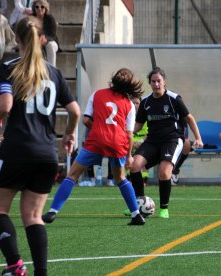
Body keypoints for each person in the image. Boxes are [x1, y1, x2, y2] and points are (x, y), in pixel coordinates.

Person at [0, 17, 80, 275]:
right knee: (33, 216)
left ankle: (15, 264)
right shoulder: (55, 73)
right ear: (42, 40)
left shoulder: (9, 68)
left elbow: (4, 105)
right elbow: (74, 111)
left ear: (15, 39)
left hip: (16, 149)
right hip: (48, 154)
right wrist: (69, 135)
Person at [42, 68, 146, 226]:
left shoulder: (97, 94)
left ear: (113, 79)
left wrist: (99, 126)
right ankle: (136, 214)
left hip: (97, 139)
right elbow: (129, 133)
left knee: (72, 175)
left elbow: (85, 120)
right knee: (121, 179)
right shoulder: (129, 104)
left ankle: (52, 211)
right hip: (118, 142)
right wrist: (129, 156)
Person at [129, 67, 203, 219]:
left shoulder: (173, 99)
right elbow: (138, 125)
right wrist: (126, 132)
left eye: (159, 81)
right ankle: (138, 204)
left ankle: (164, 208)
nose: (156, 84)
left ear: (164, 82)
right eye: (153, 82)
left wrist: (198, 138)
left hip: (172, 140)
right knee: (134, 165)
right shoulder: (146, 102)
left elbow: (189, 118)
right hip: (152, 141)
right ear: (150, 83)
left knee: (164, 172)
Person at [31, 0, 59, 67]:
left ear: (45, 8)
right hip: (35, 42)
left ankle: (52, 71)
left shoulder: (50, 18)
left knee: (50, 45)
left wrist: (45, 39)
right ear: (34, 8)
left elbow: (53, 35)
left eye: (42, 7)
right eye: (37, 7)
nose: (39, 9)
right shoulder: (31, 18)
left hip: (50, 41)